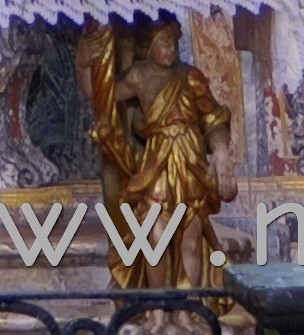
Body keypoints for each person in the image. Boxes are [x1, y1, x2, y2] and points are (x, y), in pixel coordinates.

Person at [83, 17, 230, 265]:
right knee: (155, 236)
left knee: (191, 239)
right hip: (157, 165)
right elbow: (102, 96)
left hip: (190, 163)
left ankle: (190, 301)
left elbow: (213, 118)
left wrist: (222, 152)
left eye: (173, 42)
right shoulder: (139, 77)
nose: (171, 48)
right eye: (164, 42)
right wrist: (83, 64)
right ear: (149, 47)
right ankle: (156, 302)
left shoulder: (190, 77)